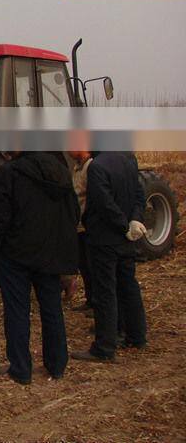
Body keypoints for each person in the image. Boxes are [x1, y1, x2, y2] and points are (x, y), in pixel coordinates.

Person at [0, 152, 80, 385]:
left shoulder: (8, 173)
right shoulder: (61, 171)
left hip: (16, 254)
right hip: (49, 252)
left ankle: (20, 369)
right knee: (51, 307)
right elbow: (73, 213)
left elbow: (0, 217)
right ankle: (57, 365)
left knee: (17, 311)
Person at [72, 152, 148, 363]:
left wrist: (123, 226)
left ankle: (104, 347)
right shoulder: (128, 160)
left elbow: (103, 204)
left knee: (104, 291)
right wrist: (133, 221)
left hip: (104, 239)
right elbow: (139, 195)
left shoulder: (97, 167)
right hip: (125, 240)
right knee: (128, 285)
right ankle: (137, 336)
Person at [70, 150, 94, 313]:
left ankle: (97, 304)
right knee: (84, 266)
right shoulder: (76, 168)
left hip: (88, 226)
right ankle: (90, 300)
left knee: (93, 267)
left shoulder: (91, 168)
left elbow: (93, 198)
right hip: (78, 225)